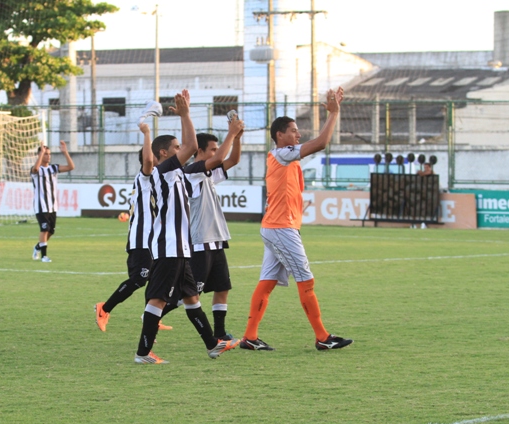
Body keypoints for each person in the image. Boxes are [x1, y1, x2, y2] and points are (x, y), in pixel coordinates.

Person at [240, 87, 353, 352]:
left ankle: (250, 337)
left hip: (278, 226)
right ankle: (323, 338)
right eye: (293, 130)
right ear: (280, 135)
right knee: (306, 280)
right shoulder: (282, 153)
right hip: (280, 228)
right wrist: (334, 113)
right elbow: (322, 142)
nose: (298, 134)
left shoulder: (284, 156)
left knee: (267, 283)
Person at [133, 89, 240, 364]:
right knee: (157, 300)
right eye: (176, 147)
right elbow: (193, 147)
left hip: (180, 247)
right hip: (168, 246)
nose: (182, 151)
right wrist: (185, 114)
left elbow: (197, 152)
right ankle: (142, 353)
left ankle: (212, 344)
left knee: (192, 298)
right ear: (164, 153)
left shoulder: (178, 173)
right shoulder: (164, 171)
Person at [94, 121, 172, 332]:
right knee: (139, 279)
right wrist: (147, 132)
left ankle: (152, 318)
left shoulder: (157, 180)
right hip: (141, 240)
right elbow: (148, 159)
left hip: (154, 240)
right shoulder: (145, 176)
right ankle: (104, 308)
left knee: (158, 281)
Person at [181, 116, 245, 341]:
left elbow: (233, 159)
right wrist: (231, 132)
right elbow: (221, 158)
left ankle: (219, 332)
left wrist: (236, 138)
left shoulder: (208, 173)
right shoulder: (192, 172)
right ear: (199, 151)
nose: (217, 153)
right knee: (190, 292)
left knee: (222, 288)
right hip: (200, 241)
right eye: (212, 150)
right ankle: (152, 315)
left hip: (216, 239)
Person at [30, 141, 75, 263]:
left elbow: (71, 167)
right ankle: (44, 256)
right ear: (40, 155)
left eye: (49, 154)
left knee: (50, 231)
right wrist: (40, 154)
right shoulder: (36, 170)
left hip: (52, 206)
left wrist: (65, 152)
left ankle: (38, 246)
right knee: (44, 229)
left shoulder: (53, 168)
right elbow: (35, 168)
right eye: (45, 154)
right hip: (41, 206)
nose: (48, 156)